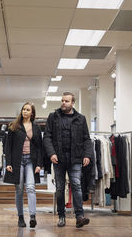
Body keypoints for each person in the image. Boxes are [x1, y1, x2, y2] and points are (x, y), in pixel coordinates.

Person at [43, 92, 93, 228]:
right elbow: (47, 137)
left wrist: (87, 155)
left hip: (75, 159)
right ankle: (61, 216)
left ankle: (79, 217)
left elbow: (86, 139)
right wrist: (51, 153)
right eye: (62, 100)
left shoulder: (80, 119)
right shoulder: (53, 117)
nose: (63, 103)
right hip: (58, 159)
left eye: (66, 101)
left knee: (76, 185)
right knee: (60, 188)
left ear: (72, 103)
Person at [4, 102, 43, 228]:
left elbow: (40, 148)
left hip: (31, 161)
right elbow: (8, 146)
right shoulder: (14, 126)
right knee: (19, 189)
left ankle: (32, 216)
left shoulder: (36, 128)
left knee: (31, 187)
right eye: (23, 109)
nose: (25, 111)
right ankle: (20, 217)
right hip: (17, 161)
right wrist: (8, 163)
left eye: (27, 110)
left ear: (32, 113)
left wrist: (39, 164)